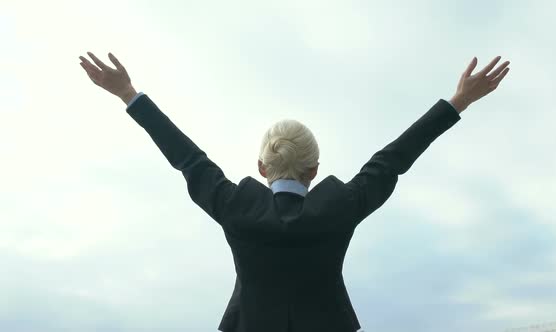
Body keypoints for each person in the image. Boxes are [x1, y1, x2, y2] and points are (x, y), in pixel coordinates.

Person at [79, 51, 510, 332]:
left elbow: (187, 159)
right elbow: (393, 159)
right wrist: (459, 102)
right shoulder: (338, 207)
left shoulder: (236, 206)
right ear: (315, 169)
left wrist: (129, 95)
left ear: (262, 167)